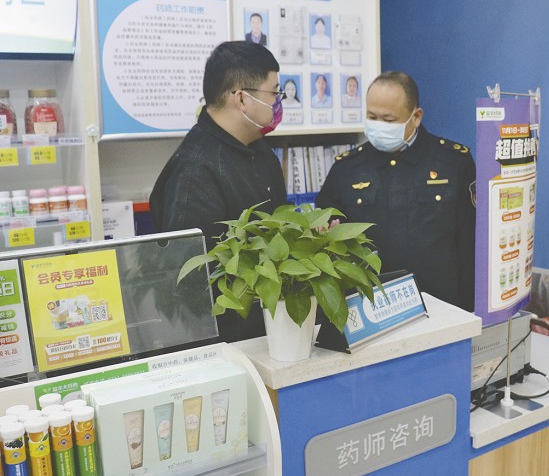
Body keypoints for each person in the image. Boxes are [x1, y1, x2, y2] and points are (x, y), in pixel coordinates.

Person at [150, 41, 288, 342]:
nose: (279, 102)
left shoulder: (260, 149)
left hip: (271, 329)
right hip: (231, 341)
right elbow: (190, 287)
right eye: (274, 92)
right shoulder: (194, 173)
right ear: (242, 98)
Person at [317, 71, 476, 311]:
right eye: (372, 116)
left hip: (441, 305)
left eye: (389, 120)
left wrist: (469, 311)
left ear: (416, 117)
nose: (379, 125)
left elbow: (469, 245)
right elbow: (326, 235)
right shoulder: (347, 168)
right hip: (371, 309)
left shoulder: (453, 163)